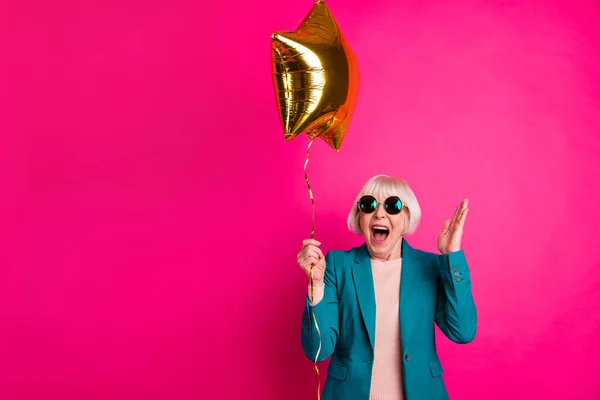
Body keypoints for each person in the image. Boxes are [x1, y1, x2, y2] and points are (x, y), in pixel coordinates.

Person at [298, 174, 477, 400]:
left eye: (392, 206)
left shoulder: (430, 267)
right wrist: (316, 284)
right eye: (369, 204)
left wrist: (452, 256)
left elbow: (462, 332)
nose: (379, 213)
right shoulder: (337, 265)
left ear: (406, 217)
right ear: (360, 216)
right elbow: (317, 351)